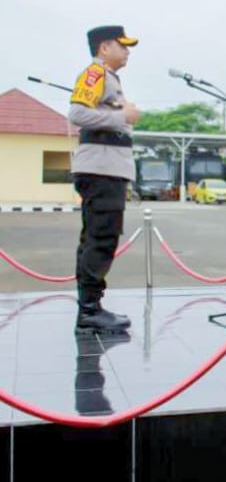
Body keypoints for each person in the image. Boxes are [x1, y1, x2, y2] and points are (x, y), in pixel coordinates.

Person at [69, 25, 141, 334]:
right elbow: (77, 114)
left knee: (96, 237)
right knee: (101, 237)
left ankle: (90, 308)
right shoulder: (95, 74)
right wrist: (121, 116)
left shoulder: (109, 78)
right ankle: (89, 311)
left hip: (106, 167)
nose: (127, 52)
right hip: (101, 168)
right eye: (122, 46)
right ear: (104, 48)